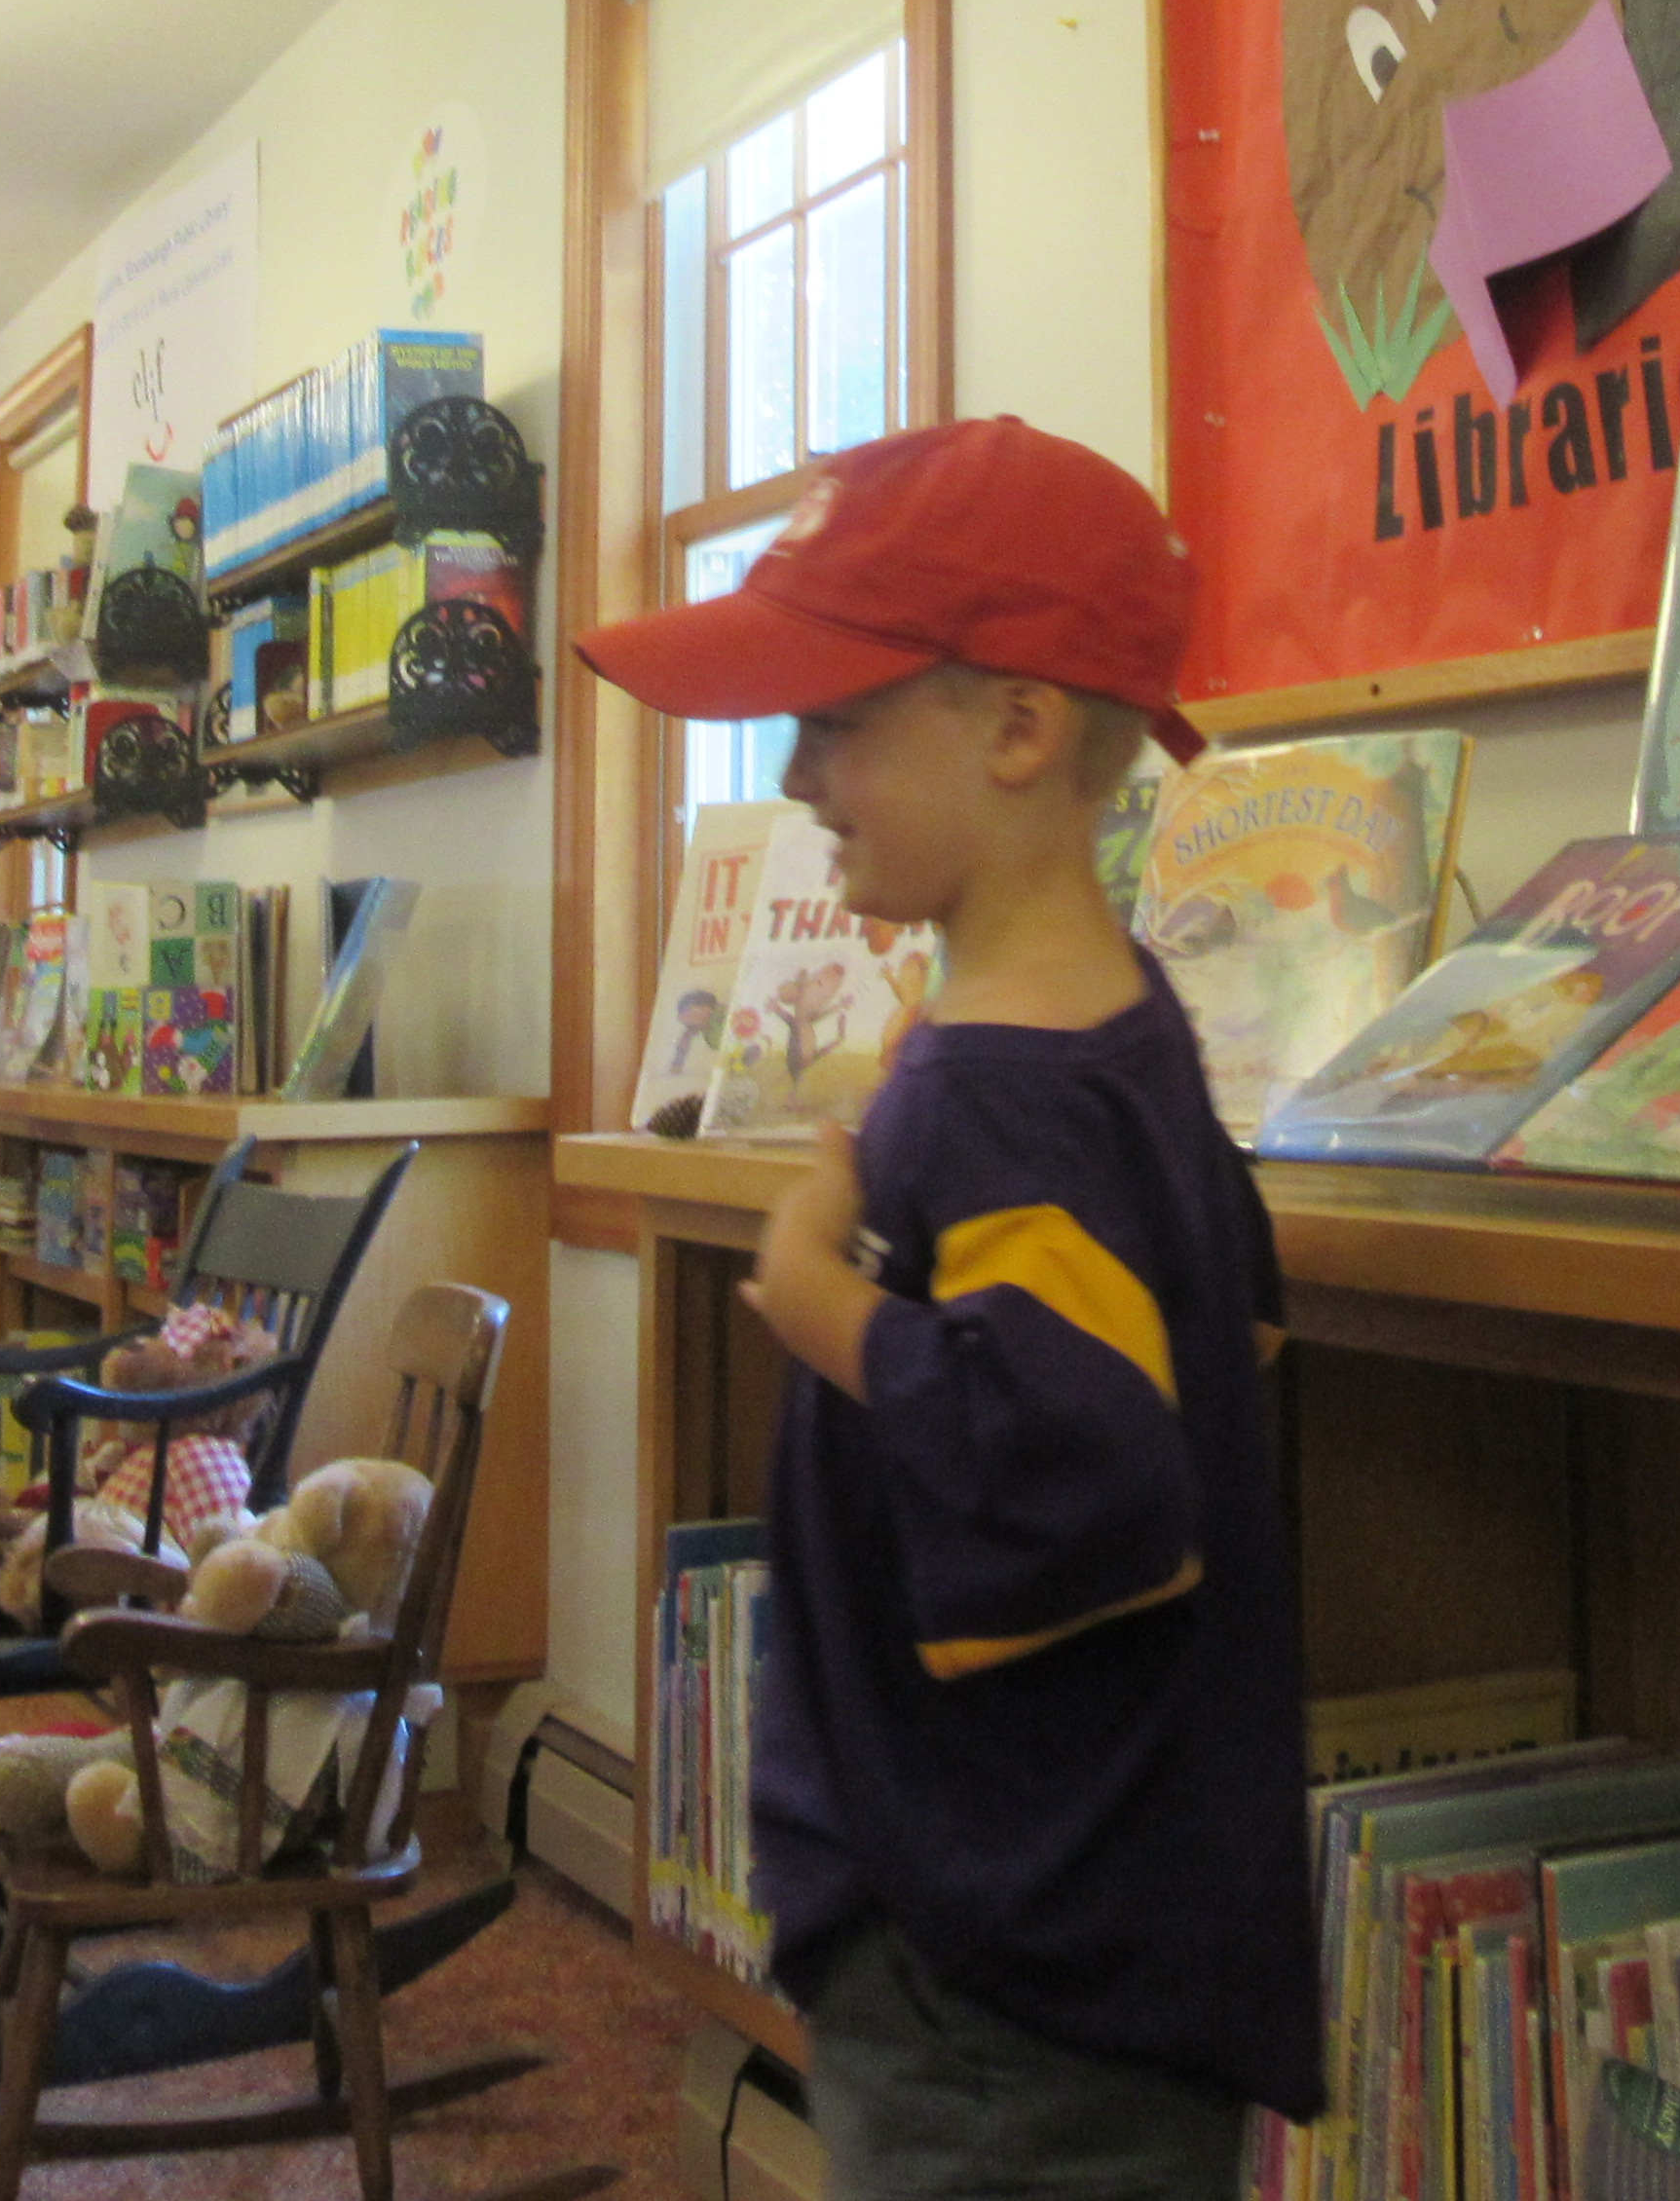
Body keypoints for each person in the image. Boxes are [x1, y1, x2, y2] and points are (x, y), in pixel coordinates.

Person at [573, 416, 1323, 2201]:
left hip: (1006, 1952)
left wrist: (814, 1297)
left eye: (836, 720)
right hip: (1076, 1914)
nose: (797, 771)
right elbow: (1235, 1327)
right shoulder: (1105, 1025)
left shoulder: (1008, 1093)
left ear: (1018, 730)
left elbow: (1091, 1477)